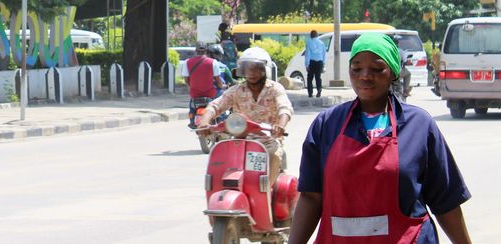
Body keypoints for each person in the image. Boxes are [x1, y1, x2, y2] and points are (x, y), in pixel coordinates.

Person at [289, 33, 471, 243]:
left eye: (376, 69)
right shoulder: (327, 125)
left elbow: (445, 200)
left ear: (393, 72)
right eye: (357, 68)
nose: (365, 76)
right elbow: (311, 197)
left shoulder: (419, 125)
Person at [197, 47, 293, 183]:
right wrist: (204, 122)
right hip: (240, 140)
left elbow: (285, 108)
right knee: (220, 160)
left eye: (256, 69)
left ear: (265, 70)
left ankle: (266, 191)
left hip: (268, 141)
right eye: (247, 69)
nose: (251, 73)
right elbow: (215, 106)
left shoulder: (275, 89)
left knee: (273, 155)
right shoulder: (236, 90)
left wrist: (280, 125)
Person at [304, 30, 325, 98]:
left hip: (312, 62)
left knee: (310, 78)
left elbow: (307, 54)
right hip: (320, 62)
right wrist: (323, 63)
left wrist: (307, 64)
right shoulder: (321, 43)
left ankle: (310, 93)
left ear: (311, 35)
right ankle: (319, 89)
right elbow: (324, 54)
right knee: (318, 77)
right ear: (317, 35)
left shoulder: (309, 43)